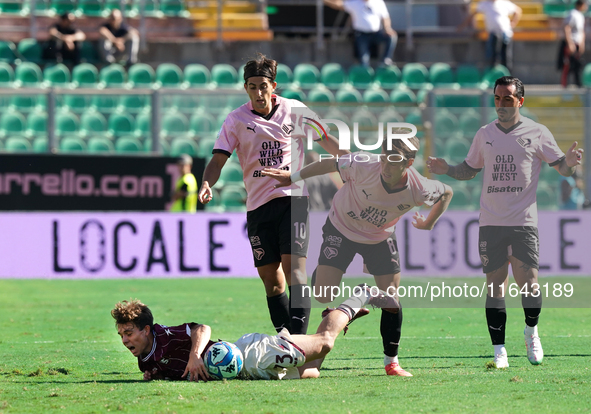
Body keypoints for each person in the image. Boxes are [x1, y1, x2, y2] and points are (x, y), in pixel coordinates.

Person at [427, 76, 584, 369]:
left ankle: (531, 331)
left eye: (507, 99)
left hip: (523, 223)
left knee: (531, 286)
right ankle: (499, 351)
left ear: (520, 101)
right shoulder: (484, 133)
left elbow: (560, 166)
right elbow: (469, 169)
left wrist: (570, 163)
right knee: (495, 286)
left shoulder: (537, 133)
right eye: (497, 99)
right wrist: (446, 168)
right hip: (491, 223)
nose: (501, 104)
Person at [263, 135, 453, 376]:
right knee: (323, 295)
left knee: (392, 300)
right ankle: (340, 300)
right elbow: (330, 163)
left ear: (409, 163)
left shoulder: (419, 187)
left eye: (394, 161)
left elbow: (446, 192)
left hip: (380, 237)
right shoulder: (362, 163)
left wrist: (428, 222)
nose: (386, 166)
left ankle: (391, 362)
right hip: (341, 228)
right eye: (384, 158)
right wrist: (293, 176)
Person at [197, 53, 347, 336]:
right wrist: (207, 183)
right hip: (258, 206)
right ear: (245, 88)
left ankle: (299, 343)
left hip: (293, 199)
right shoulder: (236, 120)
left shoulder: (295, 111)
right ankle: (285, 338)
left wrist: (352, 160)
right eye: (252, 86)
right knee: (271, 280)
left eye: (263, 86)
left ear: (273, 86)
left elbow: (326, 139)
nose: (258, 92)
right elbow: (217, 161)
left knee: (295, 272)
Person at [112, 288, 399, 381]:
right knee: (310, 372)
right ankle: (330, 317)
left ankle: (359, 295)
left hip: (250, 356)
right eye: (121, 335)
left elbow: (201, 328)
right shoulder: (144, 359)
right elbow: (168, 368)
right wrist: (156, 374)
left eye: (129, 333)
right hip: (247, 371)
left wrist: (195, 355)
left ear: (146, 330)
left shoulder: (164, 336)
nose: (125, 340)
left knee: (325, 343)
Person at [323, 0, 397, 67]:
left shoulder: (378, 2)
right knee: (363, 60)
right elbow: (338, 4)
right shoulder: (355, 2)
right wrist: (326, 1)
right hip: (362, 35)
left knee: (391, 36)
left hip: (376, 34)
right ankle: (365, 75)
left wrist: (387, 28)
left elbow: (385, 17)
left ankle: (386, 60)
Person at [458, 0, 522, 70]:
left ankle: (507, 76)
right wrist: (462, 26)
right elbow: (473, 15)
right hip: (493, 33)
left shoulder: (504, 3)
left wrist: (513, 23)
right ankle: (493, 74)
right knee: (493, 56)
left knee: (506, 57)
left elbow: (517, 11)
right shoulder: (484, 4)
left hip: (505, 33)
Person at [559, 0, 587, 87]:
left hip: (577, 44)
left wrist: (582, 44)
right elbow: (567, 28)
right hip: (571, 43)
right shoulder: (573, 14)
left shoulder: (581, 16)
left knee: (578, 66)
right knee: (567, 66)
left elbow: (581, 32)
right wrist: (570, 44)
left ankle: (578, 86)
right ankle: (565, 88)